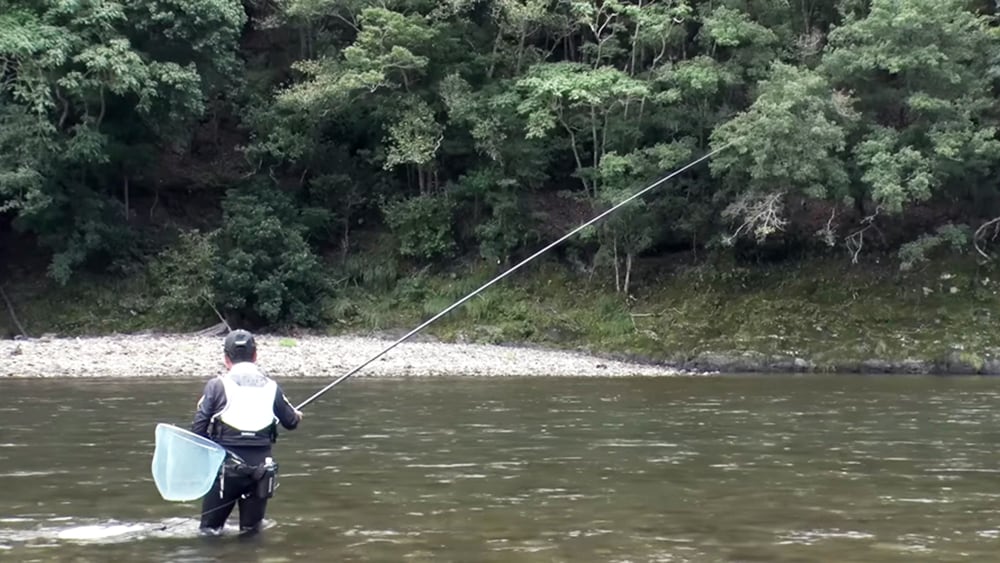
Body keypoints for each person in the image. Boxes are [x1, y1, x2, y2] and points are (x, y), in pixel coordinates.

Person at [191, 329, 303, 535]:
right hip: (261, 472)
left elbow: (198, 430)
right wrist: (296, 415)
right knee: (251, 533)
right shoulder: (272, 387)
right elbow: (291, 422)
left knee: (209, 532)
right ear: (255, 356)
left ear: (226, 359)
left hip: (225, 471)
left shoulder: (216, 386)